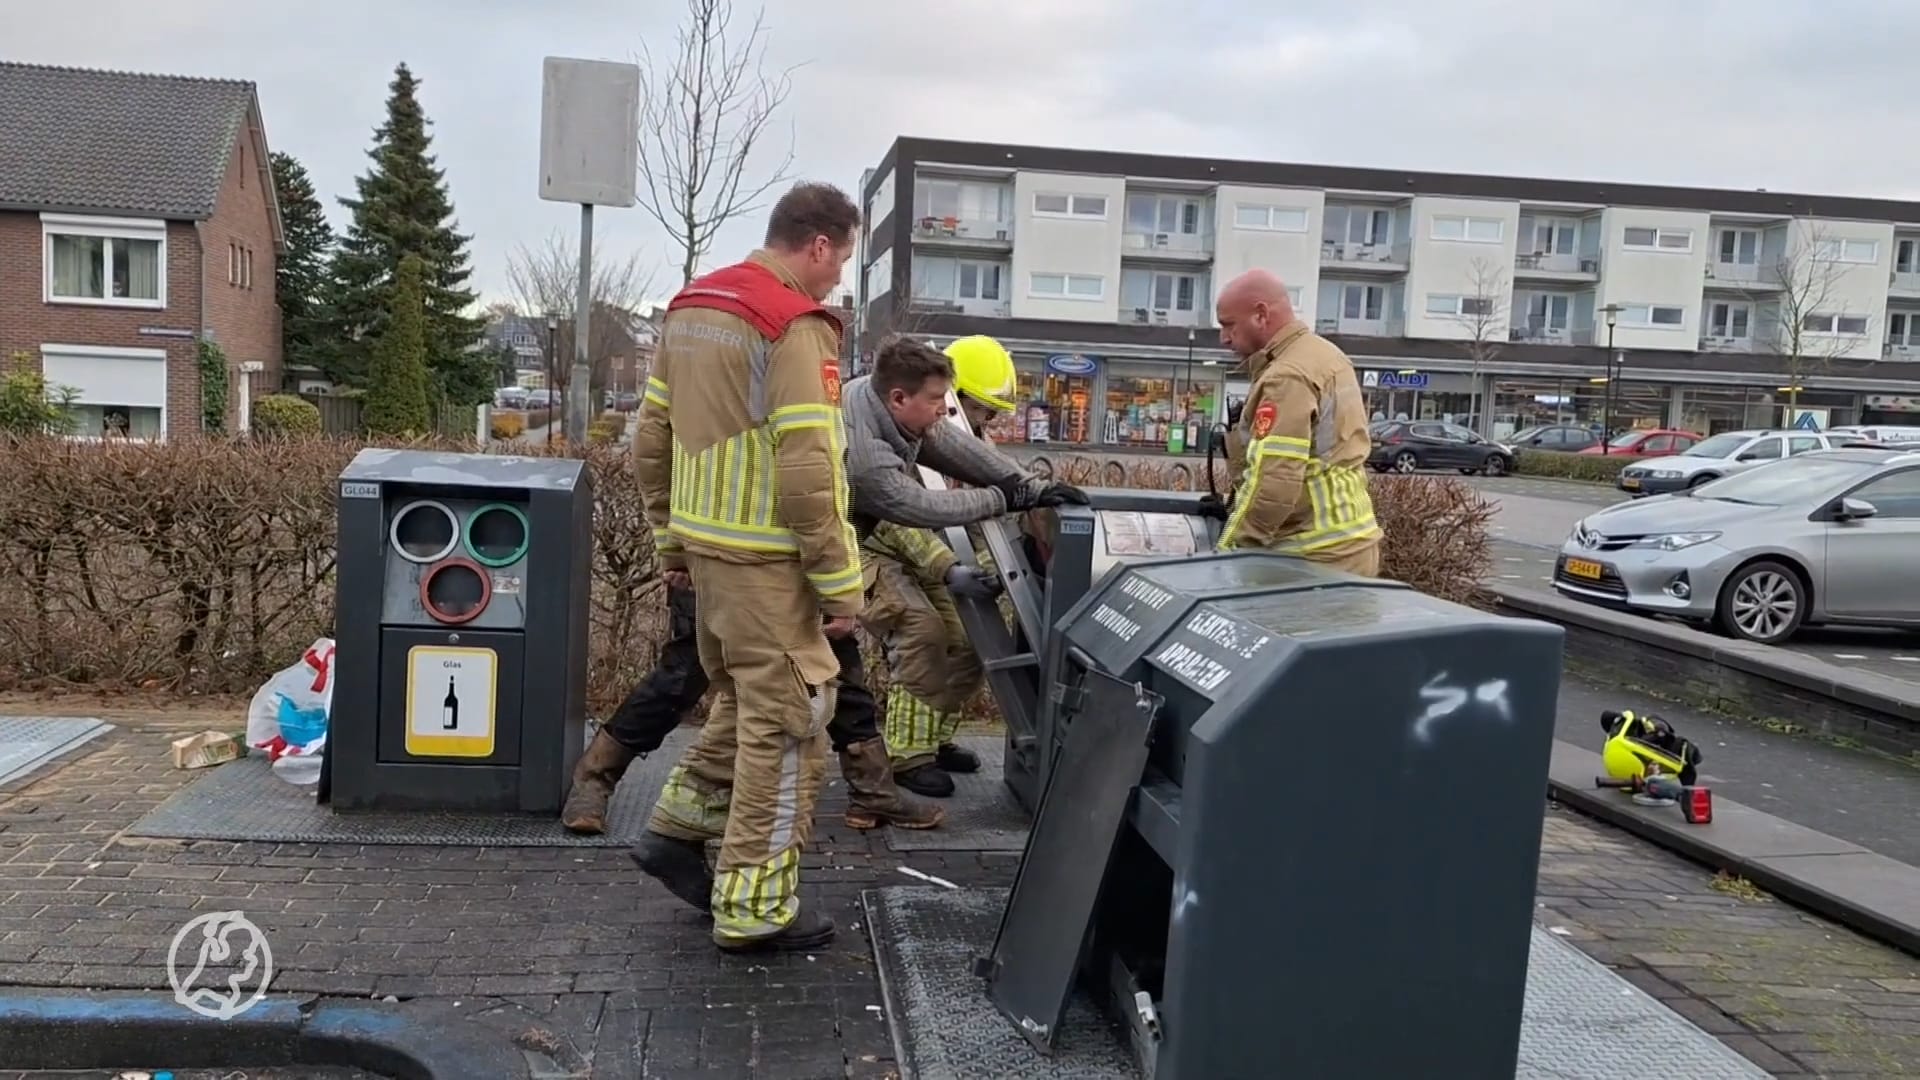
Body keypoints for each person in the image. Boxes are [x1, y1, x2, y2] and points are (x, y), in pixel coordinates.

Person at [625, 181, 866, 953]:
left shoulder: (692, 307)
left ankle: (679, 828)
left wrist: (671, 541)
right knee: (793, 722)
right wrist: (840, 582)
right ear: (819, 245)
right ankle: (757, 907)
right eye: (842, 260)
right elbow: (810, 465)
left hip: (707, 551)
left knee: (747, 703)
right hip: (768, 561)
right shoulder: (792, 325)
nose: (838, 279)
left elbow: (651, 437)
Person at [843, 334, 1088, 796]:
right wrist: (949, 564)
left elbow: (962, 456)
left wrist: (1031, 488)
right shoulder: (868, 448)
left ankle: (933, 740)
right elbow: (906, 512)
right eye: (982, 409)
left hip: (931, 553)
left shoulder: (912, 417)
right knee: (922, 632)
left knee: (968, 637)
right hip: (871, 546)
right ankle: (905, 756)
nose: (987, 420)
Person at [557, 577, 943, 835]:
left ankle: (873, 792)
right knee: (680, 678)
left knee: (838, 673)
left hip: (798, 571)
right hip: (718, 566)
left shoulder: (877, 451)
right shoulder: (865, 453)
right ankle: (594, 778)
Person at [1207, 268, 1382, 575]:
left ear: (1261, 315)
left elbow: (1274, 482)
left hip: (1310, 556)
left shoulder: (1286, 376)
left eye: (1228, 325)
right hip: (1351, 546)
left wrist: (1227, 551)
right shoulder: (1326, 355)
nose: (1224, 338)